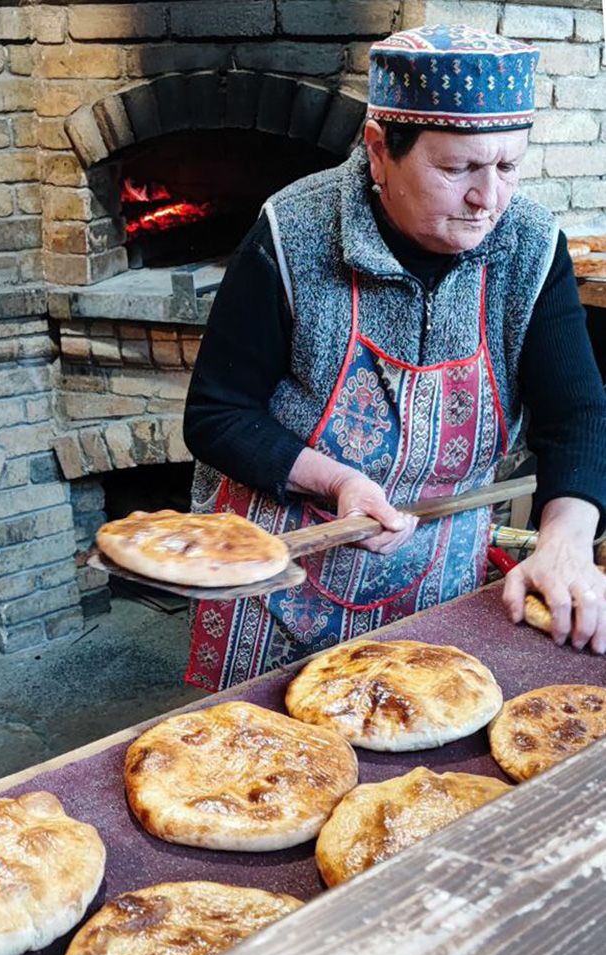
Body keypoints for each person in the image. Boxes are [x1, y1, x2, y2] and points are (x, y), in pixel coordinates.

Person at [183, 24, 606, 692]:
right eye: (457, 168)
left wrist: (565, 542)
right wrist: (336, 481)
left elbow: (578, 413)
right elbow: (216, 414)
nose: (488, 198)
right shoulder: (294, 233)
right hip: (283, 577)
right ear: (379, 152)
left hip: (437, 569)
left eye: (506, 166)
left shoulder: (529, 245)